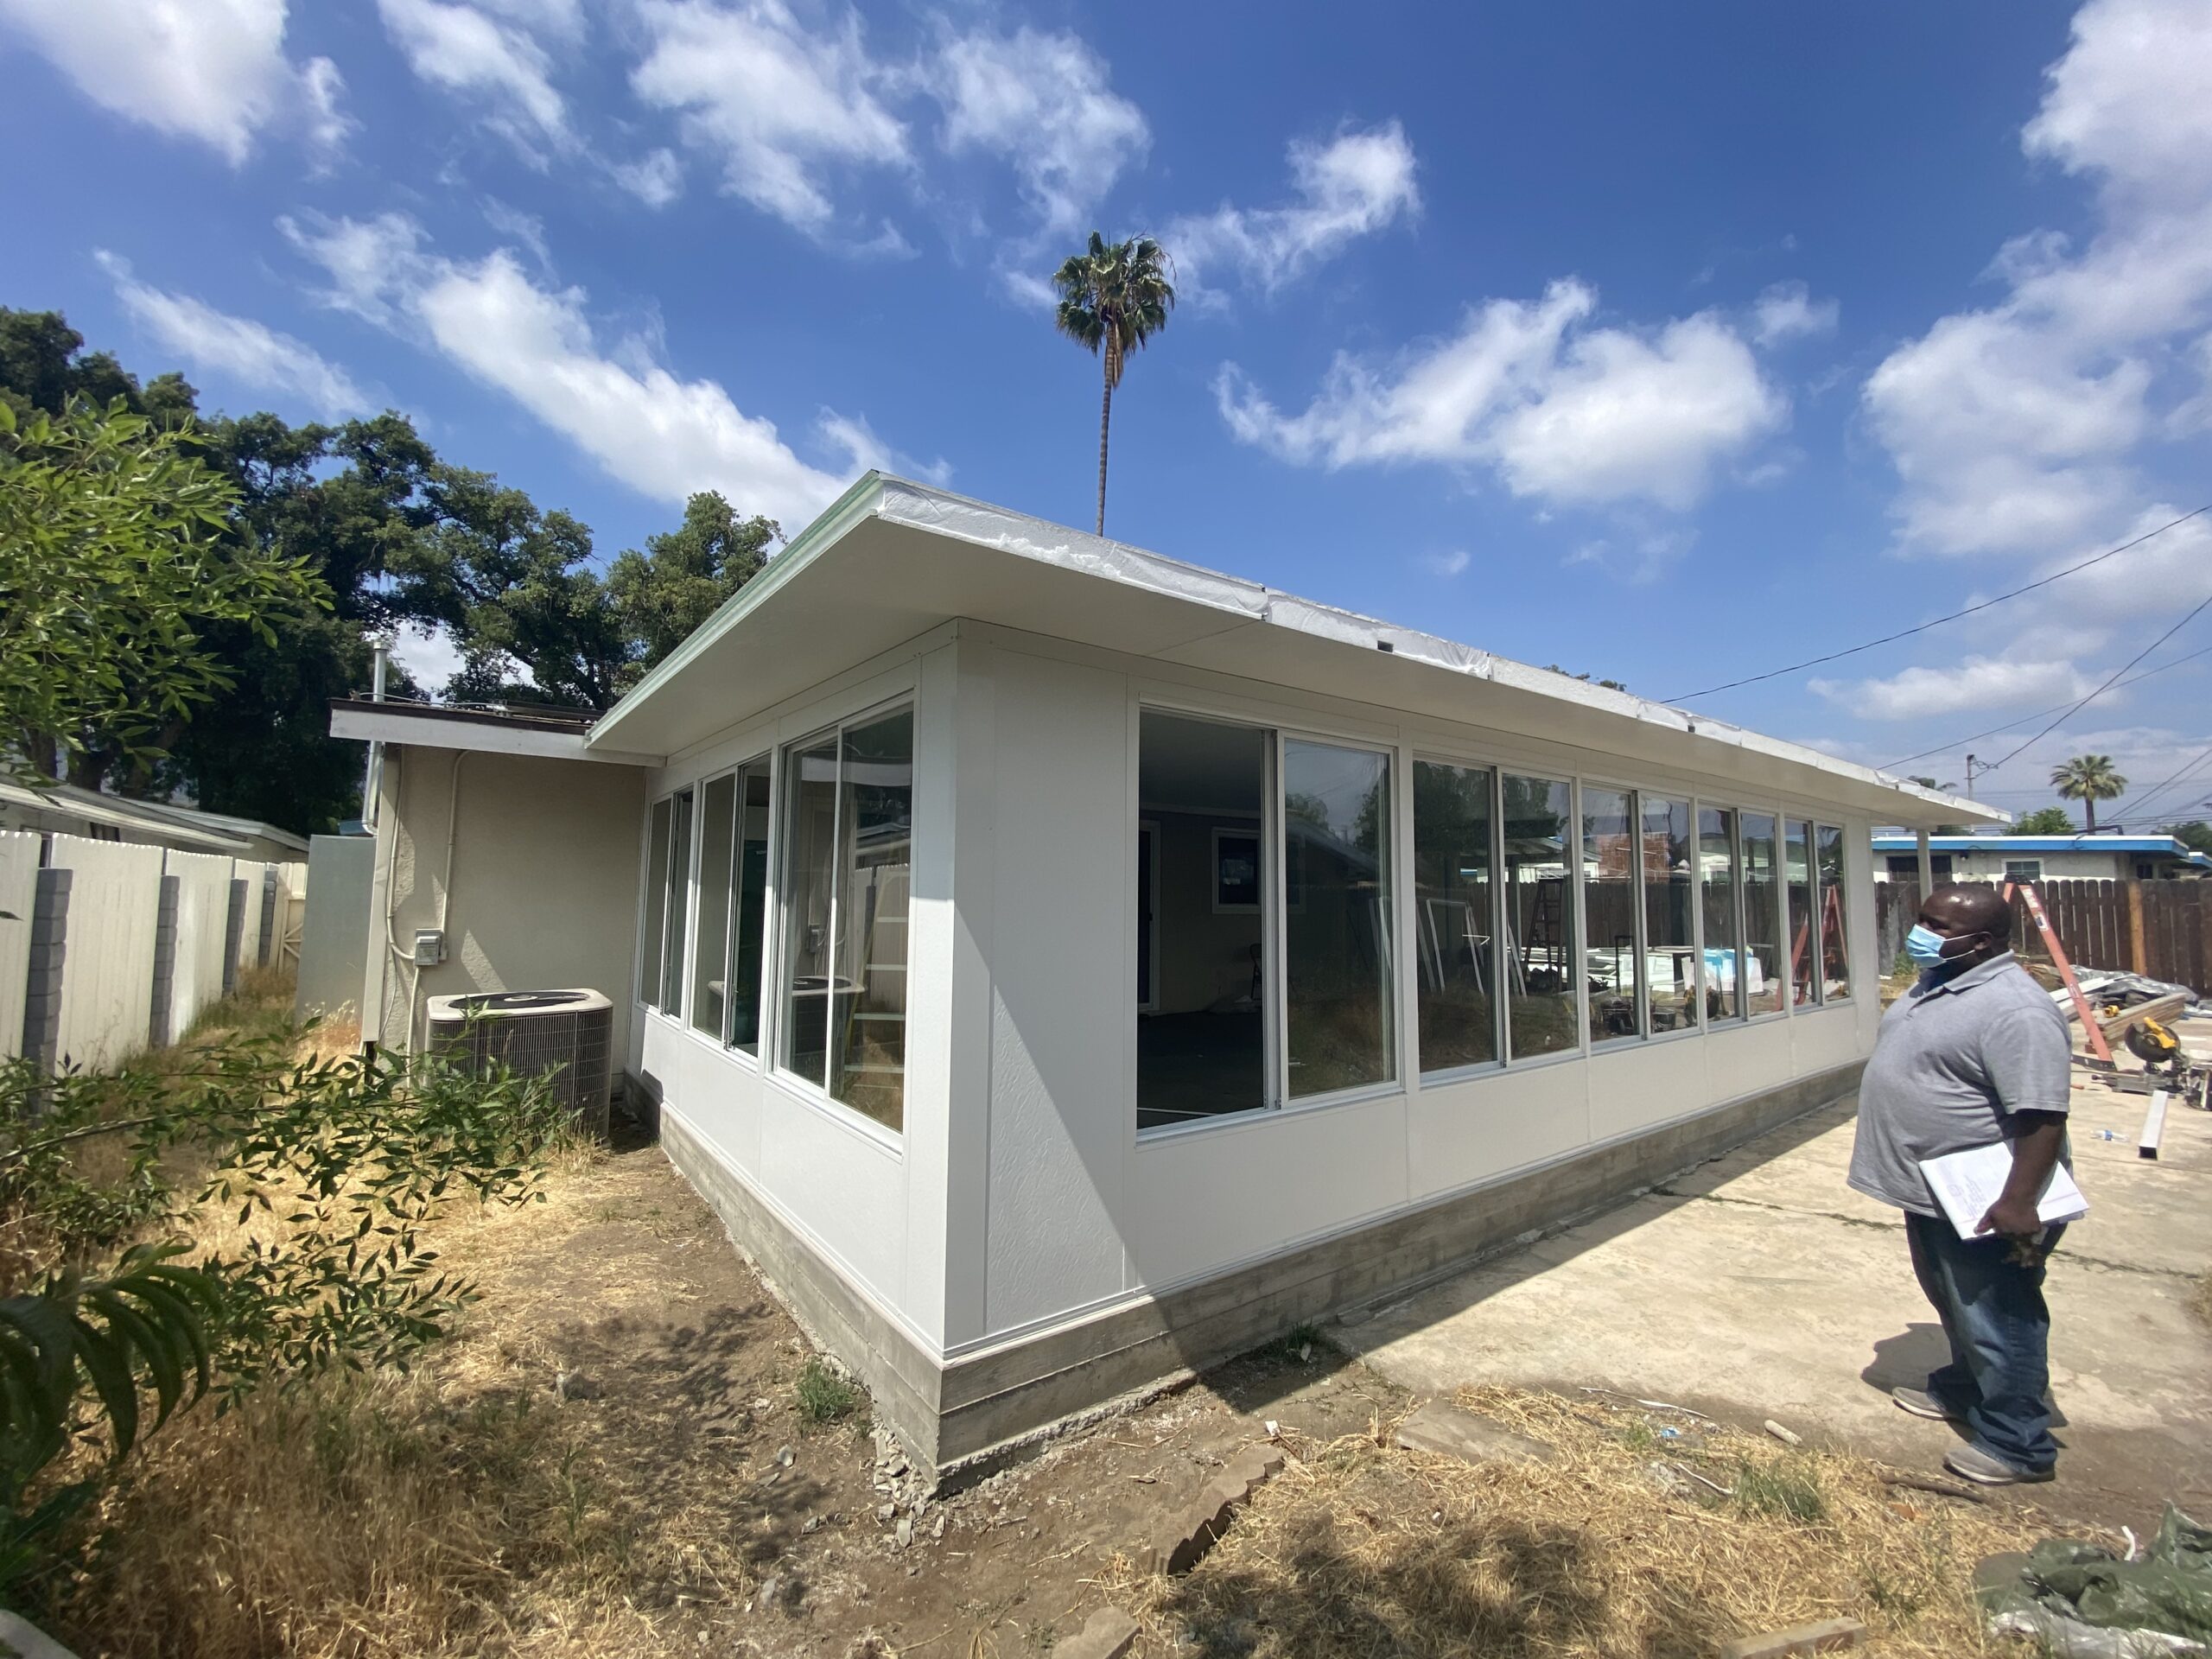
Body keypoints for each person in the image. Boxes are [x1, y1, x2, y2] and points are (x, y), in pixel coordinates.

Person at [1847, 882, 2073, 1485]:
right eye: (1924, 919)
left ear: (1984, 941)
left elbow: (2043, 1114)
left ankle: (2017, 1442)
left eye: (1938, 926)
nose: (1922, 933)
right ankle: (1963, 1388)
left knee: (2001, 1316)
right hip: (1933, 1190)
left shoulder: (2016, 1009)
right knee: (1955, 1302)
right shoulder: (1938, 983)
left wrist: (2019, 1201)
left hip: (1989, 1199)